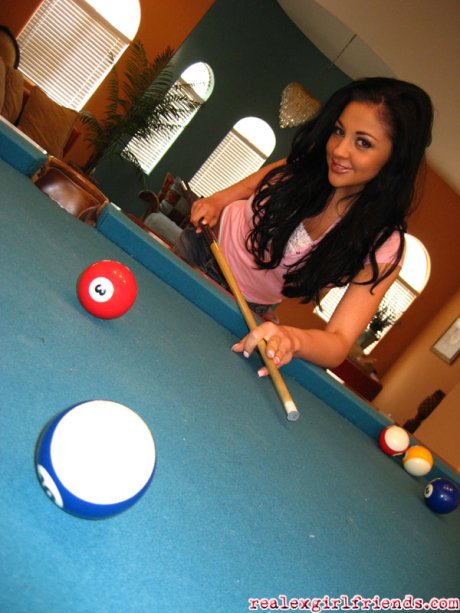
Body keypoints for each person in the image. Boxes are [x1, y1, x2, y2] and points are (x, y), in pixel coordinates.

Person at [176, 77, 433, 375]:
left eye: (363, 142)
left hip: (246, 308)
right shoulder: (310, 162)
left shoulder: (384, 245)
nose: (339, 150)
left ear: (395, 158)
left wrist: (292, 339)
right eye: (339, 131)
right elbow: (255, 184)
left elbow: (339, 342)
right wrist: (217, 200)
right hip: (200, 248)